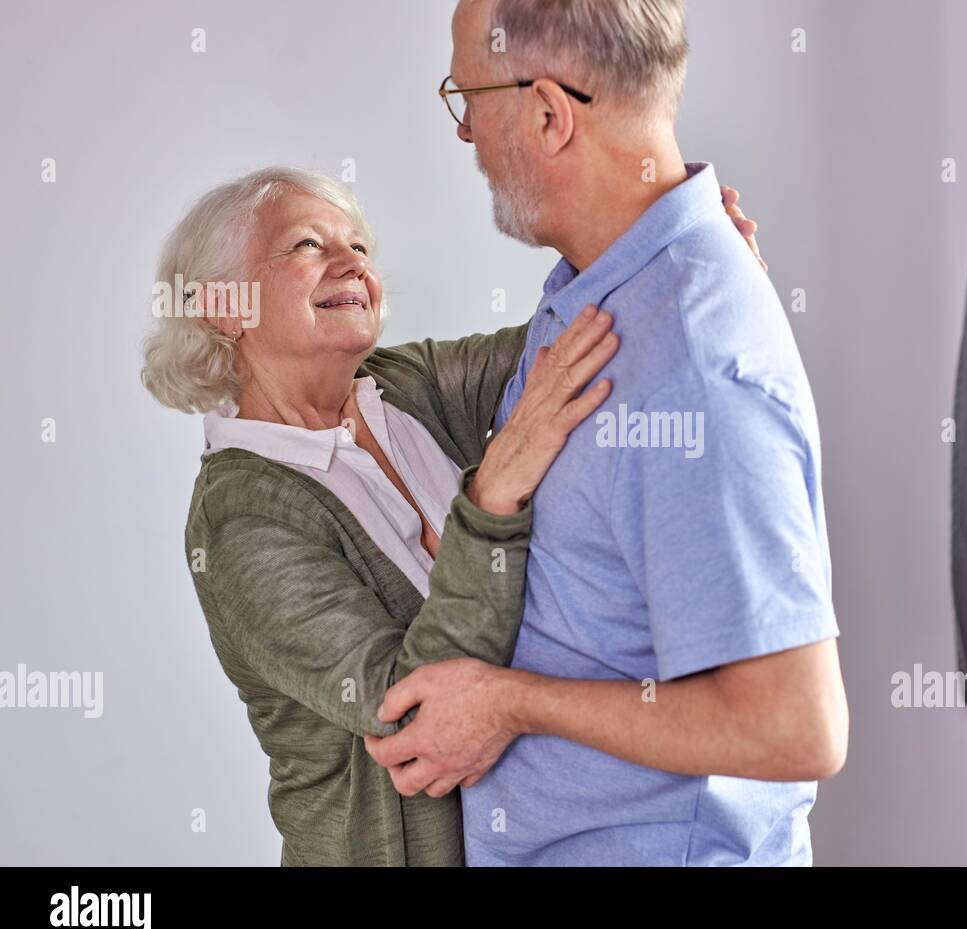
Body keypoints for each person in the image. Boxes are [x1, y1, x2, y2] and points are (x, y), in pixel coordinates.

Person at [140, 165, 761, 865]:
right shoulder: (239, 519)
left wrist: (686, 276)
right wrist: (492, 497)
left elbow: (573, 349)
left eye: (360, 248)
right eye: (307, 246)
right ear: (227, 306)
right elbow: (415, 707)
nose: (353, 263)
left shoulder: (405, 386)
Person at [366, 0, 848, 866]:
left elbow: (793, 727)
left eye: (466, 96)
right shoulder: (608, 287)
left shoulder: (692, 364)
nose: (466, 132)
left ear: (549, 113)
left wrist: (512, 702)